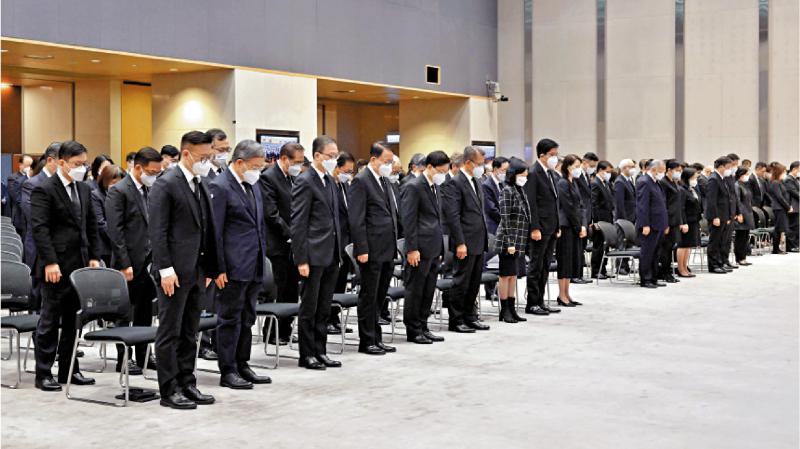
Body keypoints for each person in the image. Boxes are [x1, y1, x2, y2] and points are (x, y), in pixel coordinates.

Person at [149, 130, 220, 409]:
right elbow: (158, 231)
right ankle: (169, 389)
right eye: (203, 157)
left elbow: (207, 227)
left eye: (210, 156)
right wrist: (165, 269)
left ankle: (187, 382)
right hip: (174, 272)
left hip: (196, 270)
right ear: (187, 154)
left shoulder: (200, 182)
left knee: (190, 331)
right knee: (170, 332)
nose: (207, 162)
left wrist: (212, 267)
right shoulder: (166, 183)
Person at [30, 140, 101, 391]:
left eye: (85, 164)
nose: (82, 168)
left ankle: (69, 370)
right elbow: (40, 229)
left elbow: (91, 225)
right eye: (77, 164)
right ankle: (43, 373)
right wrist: (50, 261)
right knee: (50, 320)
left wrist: (93, 255)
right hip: (55, 265)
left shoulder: (83, 189)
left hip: (78, 264)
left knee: (73, 321)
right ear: (62, 162)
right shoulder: (45, 189)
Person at [208, 139, 271, 388]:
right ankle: (228, 369)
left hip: (253, 263)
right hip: (232, 266)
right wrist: (218, 267)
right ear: (240, 162)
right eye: (255, 166)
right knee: (229, 319)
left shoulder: (253, 184)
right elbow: (215, 231)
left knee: (248, 317)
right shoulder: (221, 185)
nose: (258, 171)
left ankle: (243, 363)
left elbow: (258, 224)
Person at [106, 147, 162, 373]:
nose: (155, 176)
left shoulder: (151, 190)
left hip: (148, 262)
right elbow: (115, 231)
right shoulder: (119, 190)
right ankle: (124, 358)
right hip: (127, 262)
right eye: (152, 172)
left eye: (158, 172)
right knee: (124, 313)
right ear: (138, 168)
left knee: (144, 312)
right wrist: (124, 263)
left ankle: (143, 355)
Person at [291, 135, 342, 370]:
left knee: (324, 307)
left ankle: (321, 350)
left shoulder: (330, 180)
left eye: (336, 156)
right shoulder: (305, 181)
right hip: (312, 254)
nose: (334, 160)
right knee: (309, 307)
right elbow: (298, 223)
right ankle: (307, 353)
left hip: (330, 252)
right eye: (331, 156)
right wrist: (301, 258)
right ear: (317, 156)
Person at [348, 142, 399, 353]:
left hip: (387, 247)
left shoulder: (384, 180)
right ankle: (367, 340)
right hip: (371, 249)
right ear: (373, 159)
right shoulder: (361, 181)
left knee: (380, 295)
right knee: (369, 296)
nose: (389, 165)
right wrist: (362, 249)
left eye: (391, 161)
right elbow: (356, 219)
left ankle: (376, 337)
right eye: (386, 161)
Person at [400, 151, 450, 342]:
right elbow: (409, 220)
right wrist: (412, 249)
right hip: (419, 248)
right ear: (429, 167)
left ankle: (423, 325)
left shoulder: (435, 186)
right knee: (416, 290)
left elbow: (437, 218)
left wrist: (439, 249)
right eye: (441, 171)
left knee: (428, 289)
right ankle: (413, 329)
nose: (443, 175)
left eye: (445, 172)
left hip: (433, 247)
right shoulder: (414, 186)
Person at [259, 142, 305, 345]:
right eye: (297, 162)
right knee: (279, 290)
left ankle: (285, 330)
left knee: (292, 290)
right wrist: (290, 233)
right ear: (284, 159)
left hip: (293, 245)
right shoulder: (268, 177)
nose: (299, 166)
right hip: (277, 244)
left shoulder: (293, 178)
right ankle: (272, 333)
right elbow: (271, 213)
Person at [442, 145, 492, 331]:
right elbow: (453, 216)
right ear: (468, 162)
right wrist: (460, 243)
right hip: (464, 241)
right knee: (461, 281)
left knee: (473, 282)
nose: (482, 167)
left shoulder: (476, 181)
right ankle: (457, 320)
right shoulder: (455, 183)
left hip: (478, 239)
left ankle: (470, 316)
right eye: (479, 164)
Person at [523, 139, 562, 316]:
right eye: (552, 155)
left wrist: (557, 225)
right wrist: (534, 228)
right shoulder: (533, 173)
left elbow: (554, 202)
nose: (555, 158)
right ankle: (532, 303)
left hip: (551, 227)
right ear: (542, 155)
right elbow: (531, 203)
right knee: (536, 266)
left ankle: (540, 300)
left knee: (545, 265)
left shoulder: (550, 173)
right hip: (539, 228)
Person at [21, 145, 61, 312]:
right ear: (50, 160)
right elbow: (35, 217)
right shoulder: (32, 184)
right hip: (39, 248)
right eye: (62, 161)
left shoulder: (66, 185)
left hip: (61, 248)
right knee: (39, 299)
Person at [493, 157, 530, 322]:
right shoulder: (507, 190)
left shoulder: (519, 190)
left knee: (513, 275)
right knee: (505, 275)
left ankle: (512, 308)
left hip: (519, 239)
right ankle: (504, 310)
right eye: (522, 175)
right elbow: (505, 218)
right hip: (508, 240)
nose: (524, 178)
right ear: (513, 174)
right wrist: (509, 242)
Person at [555, 155, 587, 305]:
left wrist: (583, 225)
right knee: (565, 261)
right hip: (567, 227)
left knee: (572, 261)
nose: (578, 169)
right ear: (568, 167)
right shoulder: (562, 183)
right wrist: (578, 226)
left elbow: (581, 206)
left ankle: (567, 293)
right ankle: (561, 295)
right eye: (576, 166)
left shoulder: (574, 182)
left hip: (575, 227)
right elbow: (568, 207)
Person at [329, 152, 355, 335]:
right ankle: (327, 318)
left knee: (341, 283)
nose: (349, 175)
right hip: (333, 243)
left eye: (351, 172)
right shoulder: (329, 185)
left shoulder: (345, 185)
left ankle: (335, 317)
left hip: (346, 242)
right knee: (331, 285)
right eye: (346, 171)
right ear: (336, 168)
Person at [636, 160, 668, 288]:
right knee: (647, 252)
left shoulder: (655, 182)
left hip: (658, 223)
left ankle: (654, 277)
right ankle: (646, 279)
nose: (663, 173)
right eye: (661, 171)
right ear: (654, 169)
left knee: (656, 252)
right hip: (649, 224)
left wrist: (665, 224)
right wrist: (645, 224)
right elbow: (642, 206)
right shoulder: (644, 182)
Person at [481, 156, 508, 301]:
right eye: (504, 170)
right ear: (496, 169)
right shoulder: (487, 185)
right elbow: (491, 209)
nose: (505, 173)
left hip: (502, 227)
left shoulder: (502, 184)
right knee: (487, 258)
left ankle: (498, 290)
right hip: (492, 226)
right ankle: (490, 290)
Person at [656, 160, 686, 283]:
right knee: (666, 249)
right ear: (669, 170)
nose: (679, 173)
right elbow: (663, 204)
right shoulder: (663, 183)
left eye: (680, 171)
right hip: (668, 221)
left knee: (670, 248)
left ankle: (667, 272)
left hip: (675, 220)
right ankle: (665, 273)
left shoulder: (673, 182)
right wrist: (665, 223)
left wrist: (680, 221)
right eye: (677, 170)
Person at [92, 164, 125, 267]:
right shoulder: (96, 195)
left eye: (120, 183)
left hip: (124, 247)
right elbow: (101, 223)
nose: (118, 186)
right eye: (114, 183)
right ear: (105, 180)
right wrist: (118, 238)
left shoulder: (124, 195)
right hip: (106, 247)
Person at [572, 152, 598, 284]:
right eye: (591, 165)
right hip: (578, 215)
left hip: (586, 216)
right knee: (577, 248)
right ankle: (575, 274)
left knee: (581, 247)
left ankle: (580, 274)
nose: (592, 168)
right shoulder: (577, 176)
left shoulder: (586, 176)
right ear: (585, 162)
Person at [705, 156, 734, 273]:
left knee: (721, 241)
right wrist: (715, 216)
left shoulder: (722, 178)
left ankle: (719, 262)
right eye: (728, 167)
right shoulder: (714, 179)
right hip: (716, 216)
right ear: (721, 167)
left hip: (723, 215)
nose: (729, 169)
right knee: (714, 241)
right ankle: (713, 265)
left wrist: (728, 216)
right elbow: (711, 200)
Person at [590, 161, 615, 279]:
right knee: (598, 245)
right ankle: (596, 271)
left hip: (607, 218)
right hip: (600, 220)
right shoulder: (595, 183)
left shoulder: (606, 183)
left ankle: (603, 269)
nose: (609, 174)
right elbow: (594, 204)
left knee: (605, 246)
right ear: (600, 170)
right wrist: (596, 221)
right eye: (607, 171)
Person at [676, 168, 702, 277]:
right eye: (693, 178)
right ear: (687, 178)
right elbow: (681, 208)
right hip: (686, 221)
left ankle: (685, 267)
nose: (695, 180)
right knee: (683, 245)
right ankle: (680, 269)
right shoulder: (682, 190)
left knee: (688, 246)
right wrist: (683, 223)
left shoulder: (692, 189)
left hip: (694, 220)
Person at [614, 159, 638, 275]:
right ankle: (620, 267)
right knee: (621, 243)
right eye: (631, 166)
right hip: (623, 218)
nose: (634, 169)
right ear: (624, 168)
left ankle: (626, 265)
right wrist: (623, 220)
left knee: (628, 242)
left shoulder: (629, 180)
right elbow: (619, 203)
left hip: (631, 216)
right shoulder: (619, 181)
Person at [767, 163, 792, 254]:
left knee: (780, 228)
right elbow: (779, 197)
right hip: (779, 208)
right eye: (784, 171)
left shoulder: (779, 182)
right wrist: (788, 207)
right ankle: (775, 249)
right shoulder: (775, 183)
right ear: (779, 172)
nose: (785, 173)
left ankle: (777, 248)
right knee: (778, 228)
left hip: (781, 208)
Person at [733, 167, 755, 265]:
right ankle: (739, 258)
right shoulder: (737, 185)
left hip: (748, 212)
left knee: (745, 236)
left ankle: (743, 257)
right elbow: (737, 201)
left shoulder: (745, 185)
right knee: (740, 237)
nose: (748, 176)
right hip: (742, 213)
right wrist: (739, 214)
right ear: (741, 174)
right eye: (746, 174)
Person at [8, 154, 33, 236]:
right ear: (20, 165)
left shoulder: (34, 177)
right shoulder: (13, 178)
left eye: (30, 165)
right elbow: (15, 197)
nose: (29, 168)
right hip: (20, 215)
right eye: (27, 165)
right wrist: (27, 176)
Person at [784, 161, 799, 252]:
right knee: (792, 226)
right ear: (794, 169)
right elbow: (794, 192)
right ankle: (791, 246)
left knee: (796, 226)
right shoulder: (789, 179)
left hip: (796, 206)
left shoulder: (795, 179)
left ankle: (796, 245)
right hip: (792, 206)